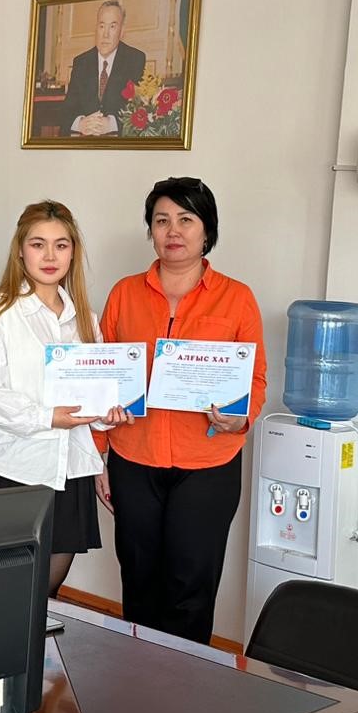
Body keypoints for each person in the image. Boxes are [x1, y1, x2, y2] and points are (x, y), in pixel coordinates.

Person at [94, 177, 267, 644]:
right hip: (134, 458)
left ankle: (185, 681)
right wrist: (98, 456)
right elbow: (105, 377)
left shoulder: (237, 297)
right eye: (161, 220)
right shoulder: (124, 293)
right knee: (139, 579)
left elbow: (255, 378)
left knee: (191, 587)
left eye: (185, 219)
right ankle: (137, 675)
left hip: (208, 464)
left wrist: (240, 417)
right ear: (150, 230)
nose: (173, 231)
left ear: (207, 229)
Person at [0, 200, 132, 597]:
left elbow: (92, 396)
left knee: (45, 593)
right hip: (10, 470)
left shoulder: (85, 319)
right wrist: (46, 416)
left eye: (61, 245)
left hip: (68, 471)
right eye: (38, 244)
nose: (50, 256)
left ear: (73, 253)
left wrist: (108, 414)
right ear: (20, 251)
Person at [60, 0, 147, 137]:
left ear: (122, 31)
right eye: (101, 26)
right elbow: (67, 111)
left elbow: (140, 111)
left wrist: (111, 124)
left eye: (112, 27)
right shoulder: (81, 62)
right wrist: (80, 123)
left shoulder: (134, 59)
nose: (105, 34)